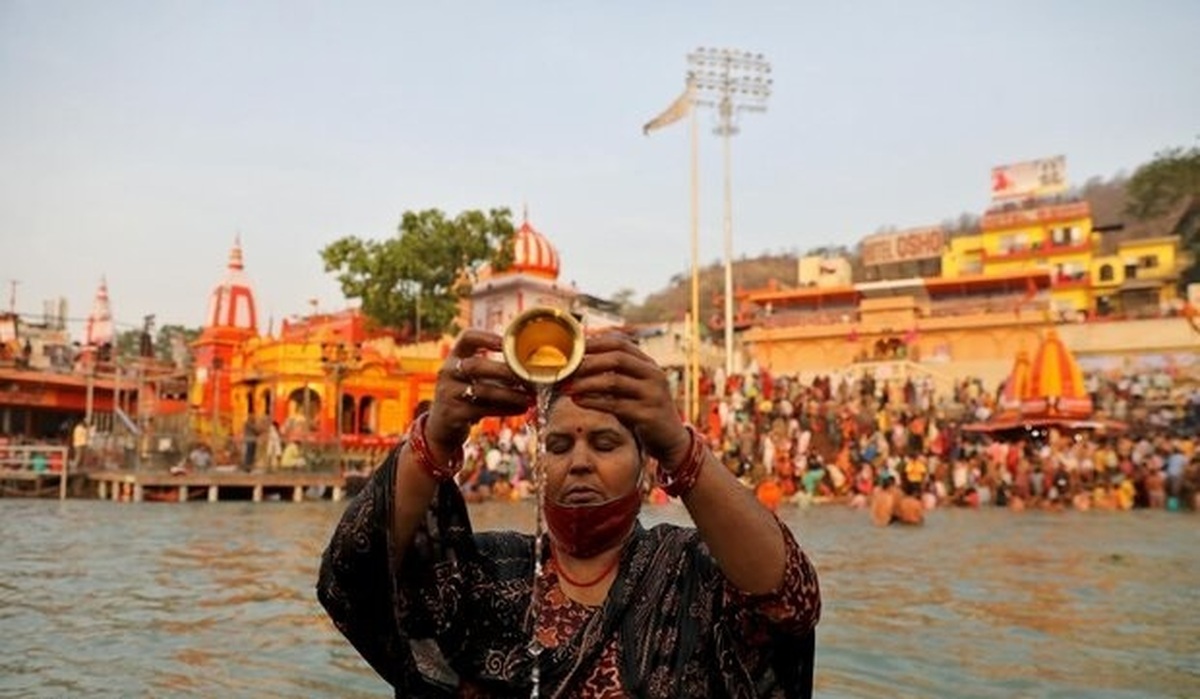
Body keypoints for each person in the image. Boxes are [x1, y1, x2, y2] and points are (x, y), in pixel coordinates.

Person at [318, 329, 821, 697]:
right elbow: (350, 580)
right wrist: (437, 437)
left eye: (605, 443)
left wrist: (676, 443)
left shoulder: (690, 571)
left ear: (645, 467)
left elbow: (789, 604)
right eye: (558, 445)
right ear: (540, 465)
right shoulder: (484, 573)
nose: (579, 461)